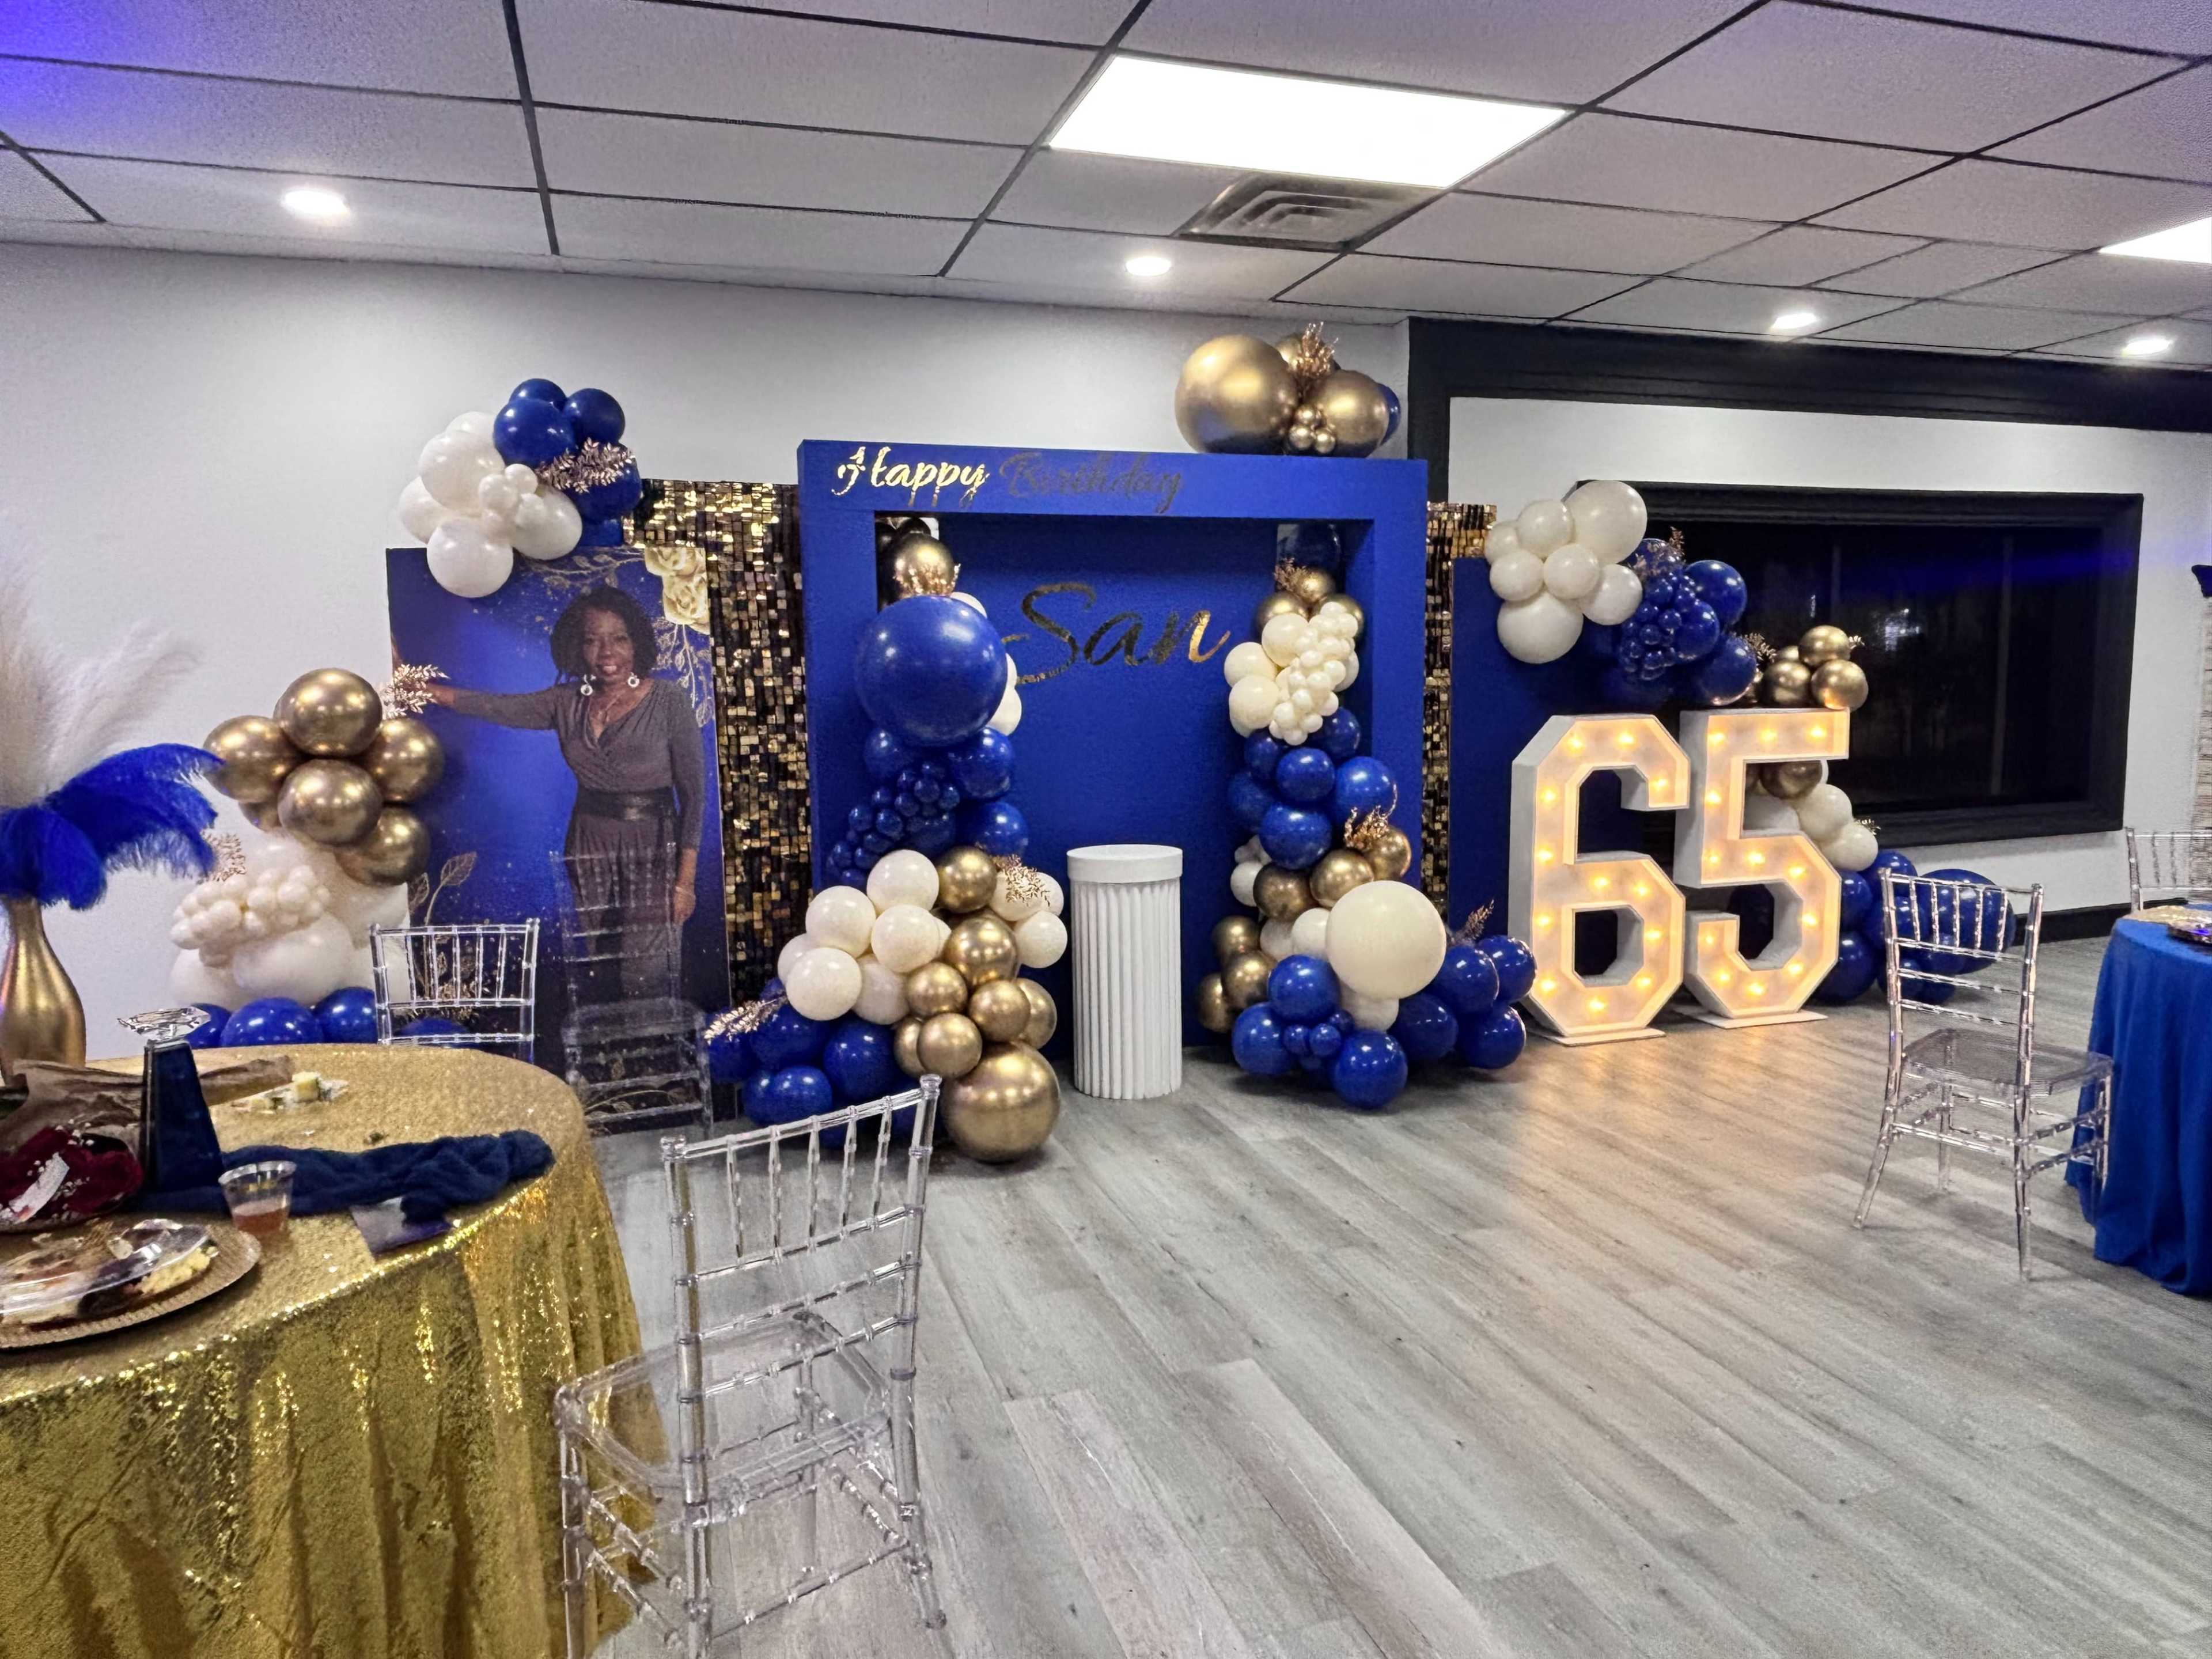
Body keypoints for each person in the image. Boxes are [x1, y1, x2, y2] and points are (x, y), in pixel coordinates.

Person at [429, 586, 704, 1003]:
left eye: (619, 638)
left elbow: (695, 797)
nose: (606, 651)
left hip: (653, 845)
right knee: (597, 959)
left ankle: (654, 1041)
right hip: (589, 842)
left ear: (637, 643)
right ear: (577, 646)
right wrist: (423, 688)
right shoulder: (566, 702)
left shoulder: (668, 700)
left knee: (647, 969)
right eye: (592, 640)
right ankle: (612, 1042)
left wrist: (685, 883)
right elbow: (495, 706)